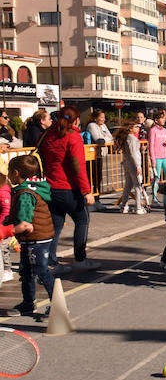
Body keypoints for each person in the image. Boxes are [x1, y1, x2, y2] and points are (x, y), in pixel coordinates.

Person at [38, 105, 98, 274]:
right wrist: (86, 191)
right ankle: (80, 258)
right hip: (69, 188)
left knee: (56, 225)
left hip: (50, 187)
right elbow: (78, 166)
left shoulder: (48, 134)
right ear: (76, 120)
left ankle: (51, 261)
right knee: (82, 220)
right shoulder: (73, 137)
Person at [5, 155, 55, 317]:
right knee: (26, 271)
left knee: (41, 271)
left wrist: (9, 229)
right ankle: (28, 302)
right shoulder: (33, 188)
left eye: (9, 172)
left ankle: (57, 303)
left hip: (36, 238)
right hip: (34, 237)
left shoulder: (25, 194)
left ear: (16, 173)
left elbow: (24, 221)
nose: (8, 176)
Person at [115, 120, 147, 214]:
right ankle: (138, 207)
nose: (138, 129)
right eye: (136, 127)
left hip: (127, 163)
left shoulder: (127, 138)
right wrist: (138, 166)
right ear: (130, 129)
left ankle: (124, 206)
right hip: (133, 164)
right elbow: (134, 154)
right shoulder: (132, 139)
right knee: (137, 185)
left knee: (128, 185)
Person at [86, 110, 113, 208]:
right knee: (91, 178)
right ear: (95, 118)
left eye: (104, 117)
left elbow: (110, 138)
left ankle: (97, 200)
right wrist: (104, 139)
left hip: (100, 155)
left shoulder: (104, 126)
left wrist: (104, 139)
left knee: (98, 178)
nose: (103, 119)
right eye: (101, 117)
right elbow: (98, 139)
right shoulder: (92, 125)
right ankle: (89, 201)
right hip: (91, 156)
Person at [148, 110, 166, 204]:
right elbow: (151, 145)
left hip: (165, 156)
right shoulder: (152, 130)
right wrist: (153, 159)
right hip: (156, 157)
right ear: (156, 120)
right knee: (157, 178)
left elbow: (163, 142)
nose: (164, 120)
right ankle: (154, 197)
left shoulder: (165, 130)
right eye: (162, 118)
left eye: (164, 118)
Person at [0, 156, 12, 283]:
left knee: (3, 247)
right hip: (3, 224)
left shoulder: (3, 191)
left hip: (5, 225)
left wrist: (2, 224)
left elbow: (6, 208)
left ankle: (7, 269)